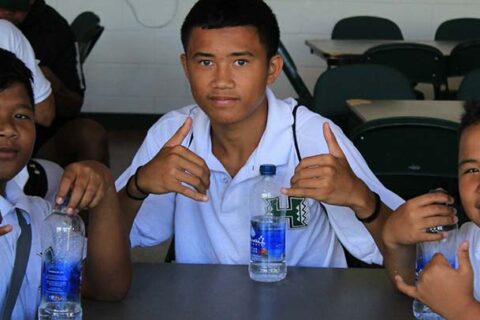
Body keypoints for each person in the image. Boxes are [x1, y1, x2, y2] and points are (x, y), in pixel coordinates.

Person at [116, 0, 403, 267]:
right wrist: (136, 187)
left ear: (272, 69)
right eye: (205, 62)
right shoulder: (173, 134)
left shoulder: (313, 137)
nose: (222, 81)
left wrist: (361, 198)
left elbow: (400, 247)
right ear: (186, 67)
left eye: (240, 62)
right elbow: (104, 239)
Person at [0, 48, 131, 319]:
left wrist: (104, 186)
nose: (9, 129)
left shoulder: (37, 216)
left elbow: (107, 288)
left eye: (21, 116)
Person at [383, 101, 480, 319]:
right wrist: (394, 241)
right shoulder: (465, 241)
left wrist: (462, 309)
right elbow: (418, 286)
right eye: (472, 169)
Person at [0, 0, 109, 166]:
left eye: (15, 9)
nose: (4, 14)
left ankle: (95, 189)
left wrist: (52, 83)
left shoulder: (54, 28)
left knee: (90, 135)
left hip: (42, 137)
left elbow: (71, 105)